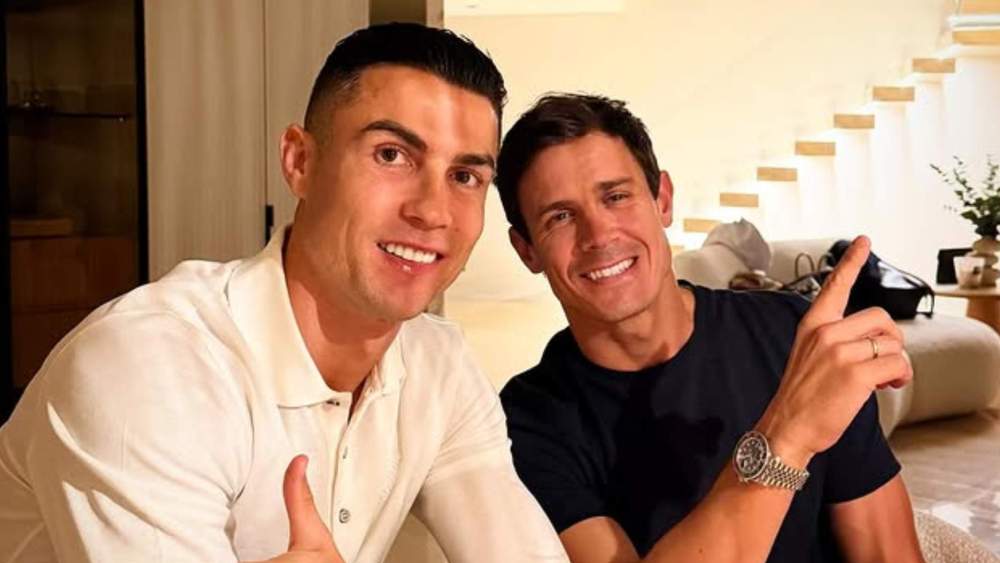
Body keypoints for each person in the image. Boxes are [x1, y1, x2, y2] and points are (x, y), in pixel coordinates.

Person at [0, 24, 567, 563]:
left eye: (465, 177)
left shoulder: (437, 362)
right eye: (392, 155)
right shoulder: (147, 365)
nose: (432, 211)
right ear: (300, 162)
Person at [494, 94, 925, 562]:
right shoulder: (524, 424)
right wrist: (788, 436)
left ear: (662, 199)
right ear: (527, 250)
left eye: (616, 197)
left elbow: (889, 555)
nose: (599, 236)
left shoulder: (791, 335)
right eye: (560, 217)